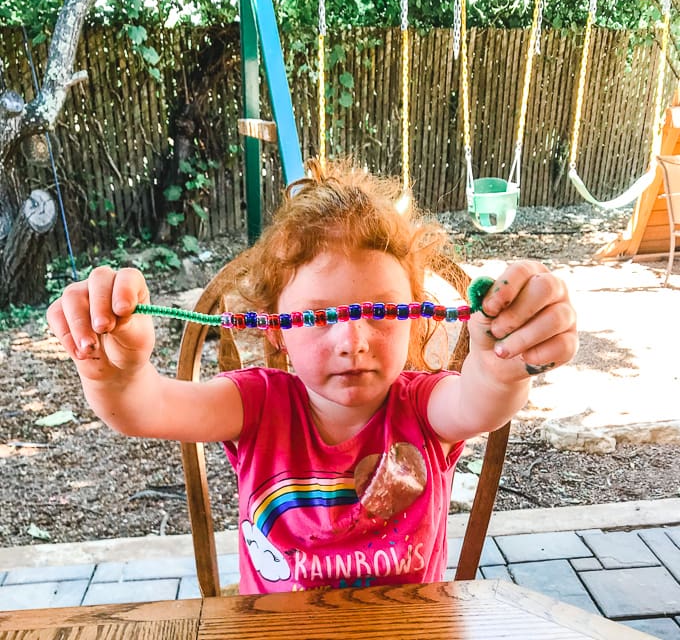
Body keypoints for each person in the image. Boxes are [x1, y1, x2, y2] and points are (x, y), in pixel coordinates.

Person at [47, 158, 577, 594]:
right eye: (319, 317)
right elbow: (146, 408)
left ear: (416, 317)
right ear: (276, 329)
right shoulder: (256, 405)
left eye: (382, 313)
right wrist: (116, 372)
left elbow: (482, 401)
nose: (352, 340)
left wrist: (501, 363)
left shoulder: (424, 407)